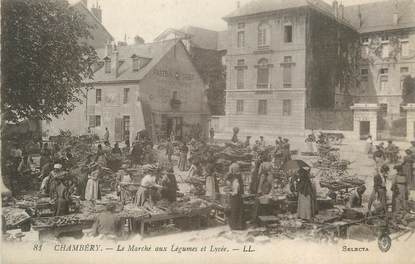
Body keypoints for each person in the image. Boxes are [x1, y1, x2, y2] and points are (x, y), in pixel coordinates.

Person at [227, 162, 245, 230]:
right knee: (236, 210)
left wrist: (232, 192)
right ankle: (236, 225)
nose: (234, 170)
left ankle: (237, 225)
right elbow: (229, 185)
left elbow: (239, 187)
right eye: (234, 169)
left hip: (236, 195)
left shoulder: (237, 177)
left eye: (235, 169)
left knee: (236, 210)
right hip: (236, 196)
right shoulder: (232, 176)